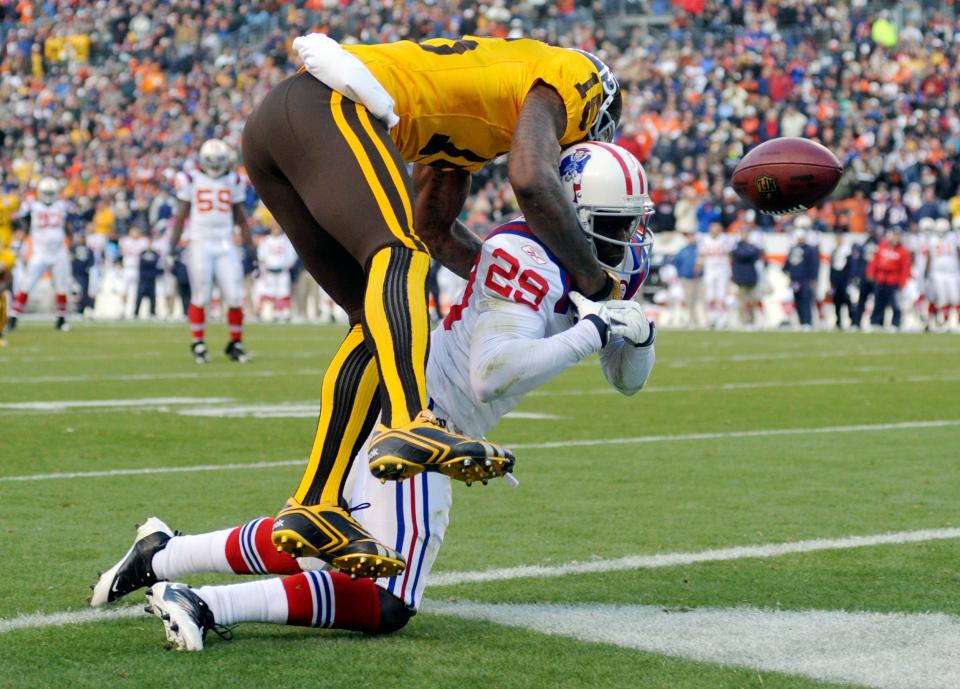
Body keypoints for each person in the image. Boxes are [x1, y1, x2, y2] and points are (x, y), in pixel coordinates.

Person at [91, 142, 656, 651]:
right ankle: (205, 603)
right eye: (613, 222)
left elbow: (628, 380)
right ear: (567, 212)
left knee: (324, 541)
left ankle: (162, 554)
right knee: (389, 601)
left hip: (422, 407)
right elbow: (492, 374)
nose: (627, 238)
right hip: (422, 418)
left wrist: (640, 334)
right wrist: (596, 330)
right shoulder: (527, 253)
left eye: (633, 224)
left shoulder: (611, 263)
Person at [241, 34, 624, 579]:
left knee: (372, 319)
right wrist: (592, 279)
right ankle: (407, 419)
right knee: (397, 258)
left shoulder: (470, 127)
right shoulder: (574, 78)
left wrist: (524, 285)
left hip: (282, 130)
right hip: (325, 104)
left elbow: (434, 231)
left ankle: (315, 504)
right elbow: (533, 180)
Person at [170, 138, 254, 364]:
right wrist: (172, 245)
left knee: (235, 295)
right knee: (202, 294)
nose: (216, 166)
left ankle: (235, 343)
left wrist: (250, 246)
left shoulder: (234, 180)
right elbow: (181, 216)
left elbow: (240, 217)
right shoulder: (191, 179)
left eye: (219, 161)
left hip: (225, 242)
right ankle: (198, 342)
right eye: (212, 161)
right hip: (200, 241)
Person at [6, 177, 72, 333]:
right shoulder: (32, 207)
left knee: (62, 287)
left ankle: (61, 318)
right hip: (40, 252)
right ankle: (13, 317)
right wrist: (18, 241)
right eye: (46, 193)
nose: (48, 196)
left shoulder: (62, 206)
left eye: (51, 193)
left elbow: (69, 227)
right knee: (26, 284)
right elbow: (21, 224)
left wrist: (71, 243)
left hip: (58, 252)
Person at [868, 228, 911, 330]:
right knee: (878, 302)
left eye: (898, 235)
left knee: (895, 303)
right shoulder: (882, 246)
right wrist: (870, 272)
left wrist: (903, 282)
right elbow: (875, 261)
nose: (896, 238)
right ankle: (876, 322)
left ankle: (895, 323)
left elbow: (905, 268)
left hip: (894, 280)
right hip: (881, 279)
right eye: (895, 235)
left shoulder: (903, 251)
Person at [256, 223, 297, 321]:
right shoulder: (266, 241)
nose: (276, 230)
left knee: (283, 292)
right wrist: (263, 268)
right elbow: (261, 256)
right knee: (270, 292)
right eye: (274, 228)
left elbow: (292, 255)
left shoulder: (285, 241)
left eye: (277, 228)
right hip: (270, 271)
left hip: (282, 271)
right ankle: (272, 312)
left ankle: (283, 312)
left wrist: (288, 264)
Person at [926, 218, 960, 331]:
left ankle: (957, 322)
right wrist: (927, 273)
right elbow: (929, 257)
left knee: (956, 298)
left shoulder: (953, 237)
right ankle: (945, 322)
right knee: (943, 299)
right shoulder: (932, 239)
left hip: (952, 272)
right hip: (938, 273)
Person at [782, 228, 820, 329]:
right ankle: (801, 321)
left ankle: (807, 322)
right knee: (798, 301)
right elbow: (787, 265)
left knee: (806, 301)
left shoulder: (810, 250)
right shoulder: (793, 249)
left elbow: (814, 265)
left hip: (805, 280)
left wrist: (813, 279)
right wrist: (788, 276)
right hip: (795, 280)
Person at [697, 222, 733, 328]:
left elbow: (729, 255)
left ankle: (722, 319)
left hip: (723, 270)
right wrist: (698, 266)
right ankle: (712, 317)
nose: (715, 230)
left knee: (722, 295)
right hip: (710, 270)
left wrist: (731, 270)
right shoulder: (704, 239)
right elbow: (701, 255)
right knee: (710, 295)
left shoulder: (725, 239)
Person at [730, 224, 764, 327]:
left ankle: (752, 321)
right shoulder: (736, 245)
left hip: (751, 277)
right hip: (740, 277)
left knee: (753, 301)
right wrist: (749, 253)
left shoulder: (751, 246)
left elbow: (757, 253)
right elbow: (742, 255)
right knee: (742, 302)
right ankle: (743, 321)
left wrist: (750, 252)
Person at [850, 227, 880, 329]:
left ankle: (876, 322)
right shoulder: (864, 245)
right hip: (864, 276)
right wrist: (858, 275)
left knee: (878, 301)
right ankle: (856, 322)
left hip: (876, 277)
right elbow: (859, 261)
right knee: (861, 301)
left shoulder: (880, 245)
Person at [118, 227, 149, 318]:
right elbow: (121, 251)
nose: (134, 233)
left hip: (137, 269)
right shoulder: (125, 240)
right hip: (127, 268)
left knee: (136, 292)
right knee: (124, 290)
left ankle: (134, 311)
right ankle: (123, 310)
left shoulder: (143, 241)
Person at [672, 230, 700, 328]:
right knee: (689, 300)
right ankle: (692, 320)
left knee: (699, 300)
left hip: (699, 279)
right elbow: (676, 262)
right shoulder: (683, 250)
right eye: (690, 237)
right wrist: (681, 274)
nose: (691, 239)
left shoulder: (699, 249)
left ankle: (700, 320)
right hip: (686, 279)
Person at [828, 228, 853, 330]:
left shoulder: (847, 251)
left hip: (844, 279)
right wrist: (831, 281)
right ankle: (838, 322)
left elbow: (850, 266)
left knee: (847, 301)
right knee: (836, 302)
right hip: (836, 279)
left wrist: (849, 280)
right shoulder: (834, 251)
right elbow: (832, 267)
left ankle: (853, 320)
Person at [135, 242, 162, 319]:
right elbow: (143, 263)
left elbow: (157, 263)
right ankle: (136, 312)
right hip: (143, 277)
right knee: (140, 295)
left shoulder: (155, 254)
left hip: (152, 277)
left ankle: (152, 312)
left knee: (152, 296)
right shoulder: (142, 254)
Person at [70, 233, 95, 316]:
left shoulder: (88, 249)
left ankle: (83, 310)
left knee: (84, 292)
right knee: (76, 293)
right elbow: (70, 259)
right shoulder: (73, 248)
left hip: (84, 274)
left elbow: (92, 260)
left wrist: (88, 267)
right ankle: (77, 309)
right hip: (75, 273)